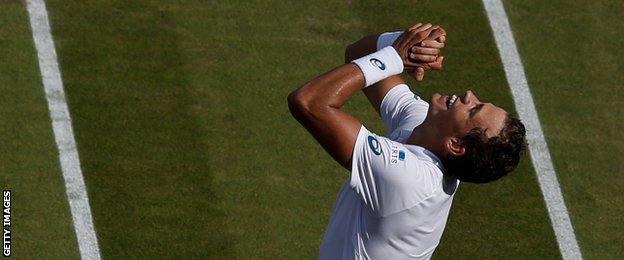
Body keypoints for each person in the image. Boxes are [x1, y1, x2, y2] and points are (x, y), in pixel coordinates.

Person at [287, 23, 526, 259]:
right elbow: (359, 55)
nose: (469, 95)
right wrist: (406, 45)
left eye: (473, 110)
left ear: (455, 145)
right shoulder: (427, 127)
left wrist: (392, 57)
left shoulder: (409, 179)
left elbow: (309, 102)